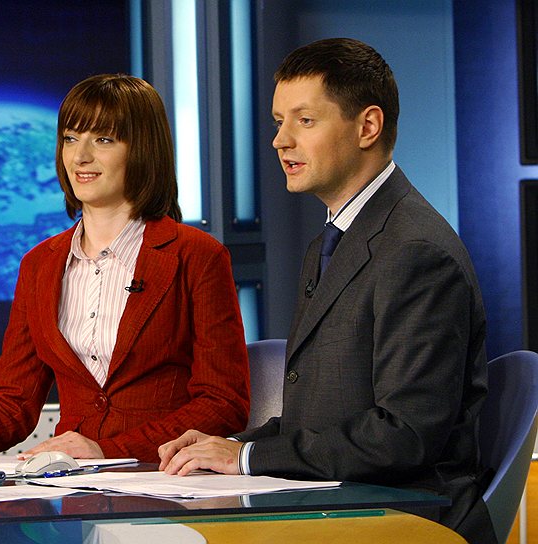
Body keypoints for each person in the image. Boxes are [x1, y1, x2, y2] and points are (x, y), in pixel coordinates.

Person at [158, 38, 496, 543]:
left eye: (305, 120)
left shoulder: (416, 251)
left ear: (368, 127)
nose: (280, 141)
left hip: (405, 519)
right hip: (338, 505)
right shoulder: (331, 241)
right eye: (279, 122)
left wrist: (247, 457)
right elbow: (320, 419)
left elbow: (403, 436)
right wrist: (222, 445)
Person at [0, 74, 250, 462]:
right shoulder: (40, 264)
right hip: (68, 481)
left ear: (143, 148)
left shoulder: (197, 256)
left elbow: (223, 403)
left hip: (162, 476)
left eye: (103, 139)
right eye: (70, 138)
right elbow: (11, 406)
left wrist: (107, 451)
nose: (80, 157)